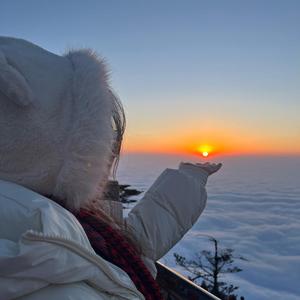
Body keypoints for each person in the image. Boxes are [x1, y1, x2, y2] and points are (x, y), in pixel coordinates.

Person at [0, 36, 222, 300]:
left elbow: (127, 247)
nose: (107, 156)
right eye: (100, 139)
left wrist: (188, 180)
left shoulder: (53, 227)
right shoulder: (56, 282)